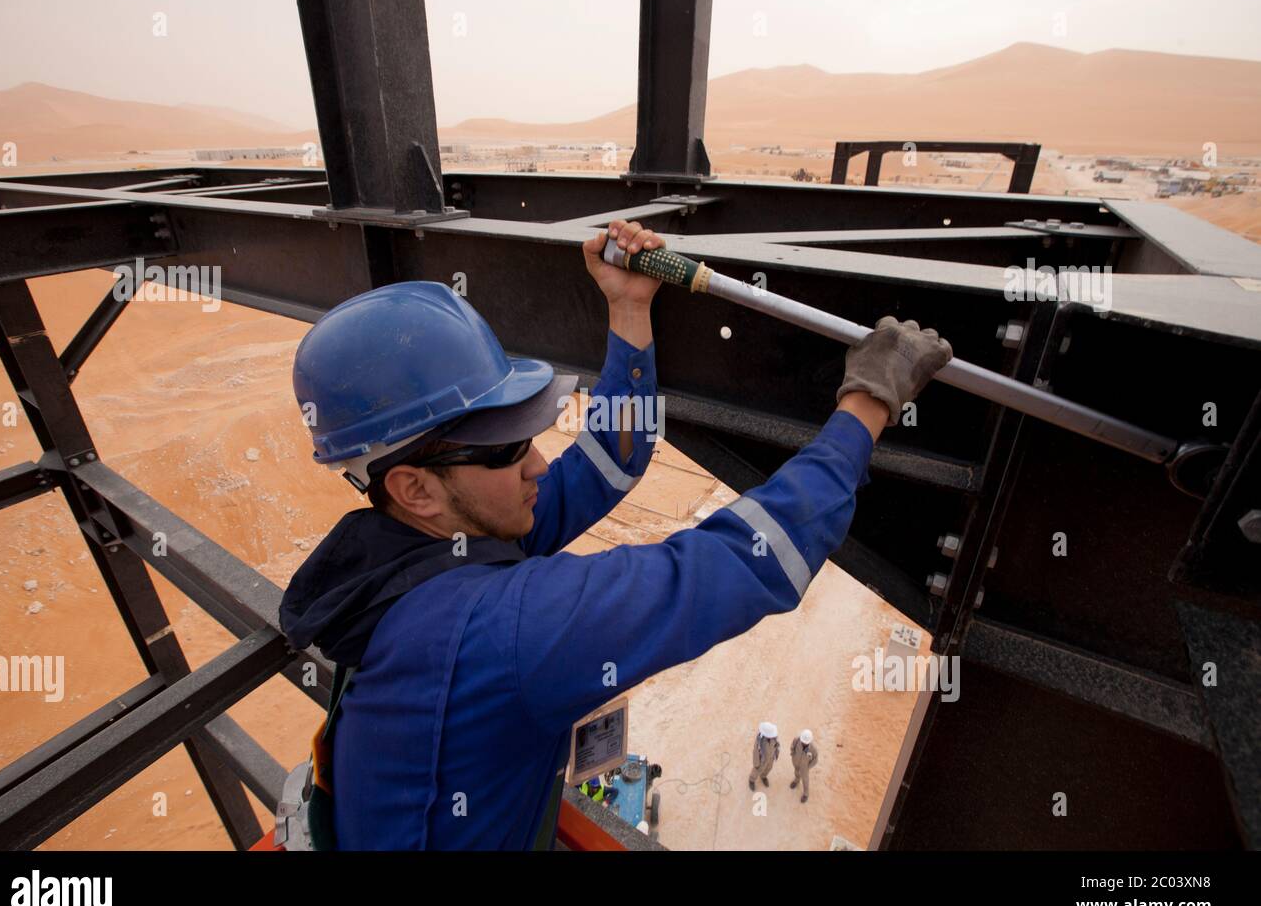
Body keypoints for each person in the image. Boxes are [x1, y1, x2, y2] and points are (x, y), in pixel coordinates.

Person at [279, 218, 953, 849]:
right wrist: (867, 405)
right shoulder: (499, 631)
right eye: (507, 450)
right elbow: (742, 563)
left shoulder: (418, 549)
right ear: (415, 488)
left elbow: (609, 461)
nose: (538, 463)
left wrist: (629, 309)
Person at [790, 729, 819, 803]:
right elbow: (792, 747)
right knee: (796, 772)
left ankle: (806, 794)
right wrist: (792, 755)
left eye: (806, 743)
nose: (804, 743)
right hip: (796, 762)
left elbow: (815, 760)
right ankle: (796, 780)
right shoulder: (796, 740)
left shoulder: (813, 749)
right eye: (803, 742)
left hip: (805, 767)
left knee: (805, 779)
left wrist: (808, 767)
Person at [749, 721, 780, 791]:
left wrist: (776, 753)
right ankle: (751, 780)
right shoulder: (759, 741)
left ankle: (763, 776)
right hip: (761, 760)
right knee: (756, 771)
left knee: (769, 768)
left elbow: (777, 744)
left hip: (771, 758)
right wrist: (756, 763)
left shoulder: (774, 737)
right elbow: (755, 752)